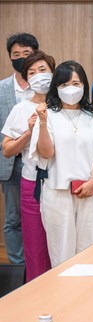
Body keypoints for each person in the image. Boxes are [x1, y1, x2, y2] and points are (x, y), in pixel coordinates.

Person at [30, 61, 93, 267]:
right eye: (64, 84)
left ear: (84, 86)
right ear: (56, 88)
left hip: (90, 192)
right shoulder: (48, 115)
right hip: (58, 193)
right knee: (62, 254)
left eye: (76, 83)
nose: (71, 89)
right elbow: (46, 153)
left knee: (90, 252)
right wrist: (42, 122)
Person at [1, 51, 55, 280]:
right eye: (31, 73)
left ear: (53, 72)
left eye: (42, 70)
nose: (38, 75)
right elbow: (7, 150)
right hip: (33, 183)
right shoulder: (21, 109)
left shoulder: (67, 105)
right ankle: (38, 291)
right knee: (35, 244)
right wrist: (28, 132)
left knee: (62, 243)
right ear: (27, 79)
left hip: (63, 183)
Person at [1, 33, 39, 265]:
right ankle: (18, 266)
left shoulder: (45, 86)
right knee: (13, 217)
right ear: (10, 58)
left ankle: (37, 262)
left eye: (27, 53)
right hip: (10, 162)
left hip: (38, 162)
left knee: (39, 215)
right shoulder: (2, 88)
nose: (22, 58)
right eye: (16, 54)